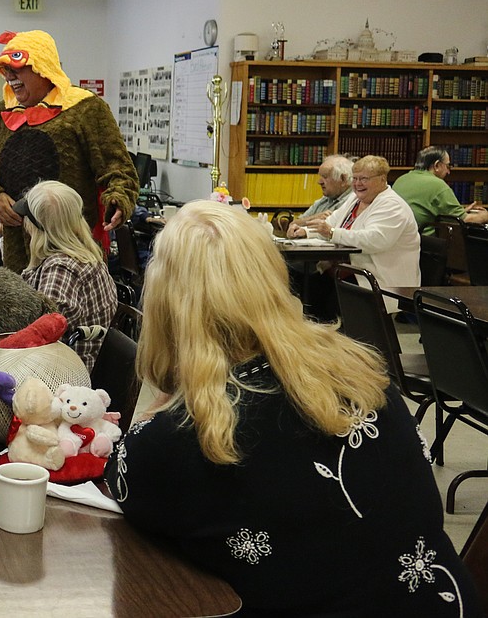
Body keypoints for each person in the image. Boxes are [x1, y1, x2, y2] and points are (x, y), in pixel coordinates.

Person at [108, 200, 478, 616]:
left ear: (164, 305)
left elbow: (126, 487)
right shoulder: (364, 375)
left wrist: (157, 409)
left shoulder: (174, 437)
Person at [0, 30, 138, 272]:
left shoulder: (85, 108)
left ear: (42, 67)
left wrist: (118, 201)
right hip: (17, 253)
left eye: (16, 67)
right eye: (5, 70)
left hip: (72, 249)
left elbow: (118, 169)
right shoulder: (2, 113)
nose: (9, 76)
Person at [294, 156, 420, 317]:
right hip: (346, 270)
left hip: (376, 278)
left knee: (325, 298)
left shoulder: (393, 205)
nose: (357, 183)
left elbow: (374, 240)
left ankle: (336, 336)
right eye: (355, 178)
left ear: (382, 179)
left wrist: (332, 233)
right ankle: (321, 337)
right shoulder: (355, 199)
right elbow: (331, 223)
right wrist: (306, 232)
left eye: (364, 179)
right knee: (305, 286)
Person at [15, 180, 117, 373]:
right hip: (83, 368)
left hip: (67, 379)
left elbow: (39, 335)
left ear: (36, 227)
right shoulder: (86, 258)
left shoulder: (61, 270)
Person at [392, 146, 488, 235]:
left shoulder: (401, 179)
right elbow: (465, 220)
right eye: (447, 166)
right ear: (437, 165)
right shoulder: (437, 185)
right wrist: (485, 215)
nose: (448, 172)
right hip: (425, 244)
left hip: (400, 240)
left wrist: (460, 211)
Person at [284, 154, 353, 238]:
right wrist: (314, 218)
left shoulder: (353, 202)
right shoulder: (324, 200)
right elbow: (293, 223)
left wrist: (304, 225)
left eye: (325, 177)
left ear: (343, 179)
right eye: (320, 176)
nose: (319, 182)